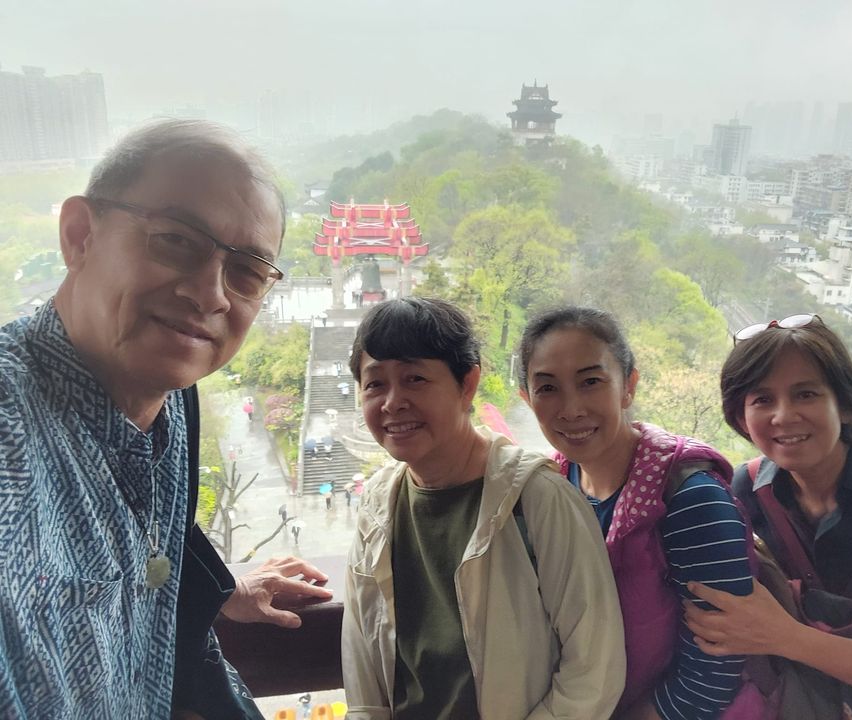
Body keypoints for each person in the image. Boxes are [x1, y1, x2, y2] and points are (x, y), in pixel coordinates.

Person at [0, 118, 332, 719]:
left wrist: (218, 589)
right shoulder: (13, 437)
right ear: (79, 236)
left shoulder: (172, 402)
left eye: (247, 272)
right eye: (176, 240)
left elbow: (152, 539)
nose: (211, 295)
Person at [342, 297, 625, 720]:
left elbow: (594, 672)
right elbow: (362, 666)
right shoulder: (377, 506)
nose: (392, 402)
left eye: (415, 379)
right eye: (375, 384)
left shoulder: (537, 498)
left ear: (467, 384)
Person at [681, 313, 852, 719]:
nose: (783, 416)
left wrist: (783, 636)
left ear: (844, 405)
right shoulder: (749, 488)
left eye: (806, 394)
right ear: (742, 418)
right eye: (762, 400)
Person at [518, 306, 753, 720]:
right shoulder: (553, 488)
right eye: (548, 388)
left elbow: (713, 675)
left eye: (590, 382)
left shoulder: (691, 500)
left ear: (628, 386)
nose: (570, 409)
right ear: (527, 398)